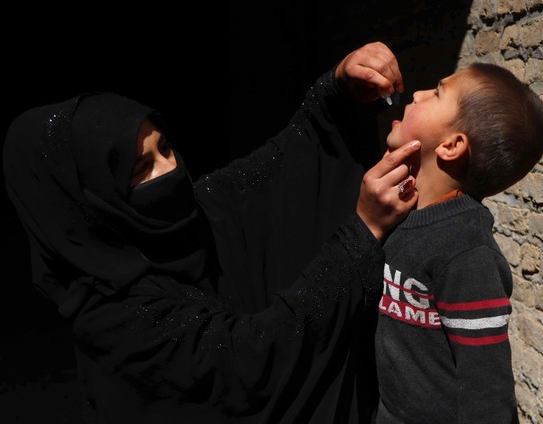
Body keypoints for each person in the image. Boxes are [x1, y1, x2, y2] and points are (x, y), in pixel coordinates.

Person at [3, 42, 420, 423]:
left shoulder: (194, 214)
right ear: (90, 207)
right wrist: (359, 236)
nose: (169, 172)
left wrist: (339, 91)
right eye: (139, 170)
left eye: (164, 148)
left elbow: (278, 165)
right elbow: (250, 358)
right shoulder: (115, 323)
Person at [374, 61, 543, 423]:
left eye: (437, 92)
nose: (419, 93)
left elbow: (488, 394)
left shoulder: (467, 254)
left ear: (452, 145)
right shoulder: (393, 211)